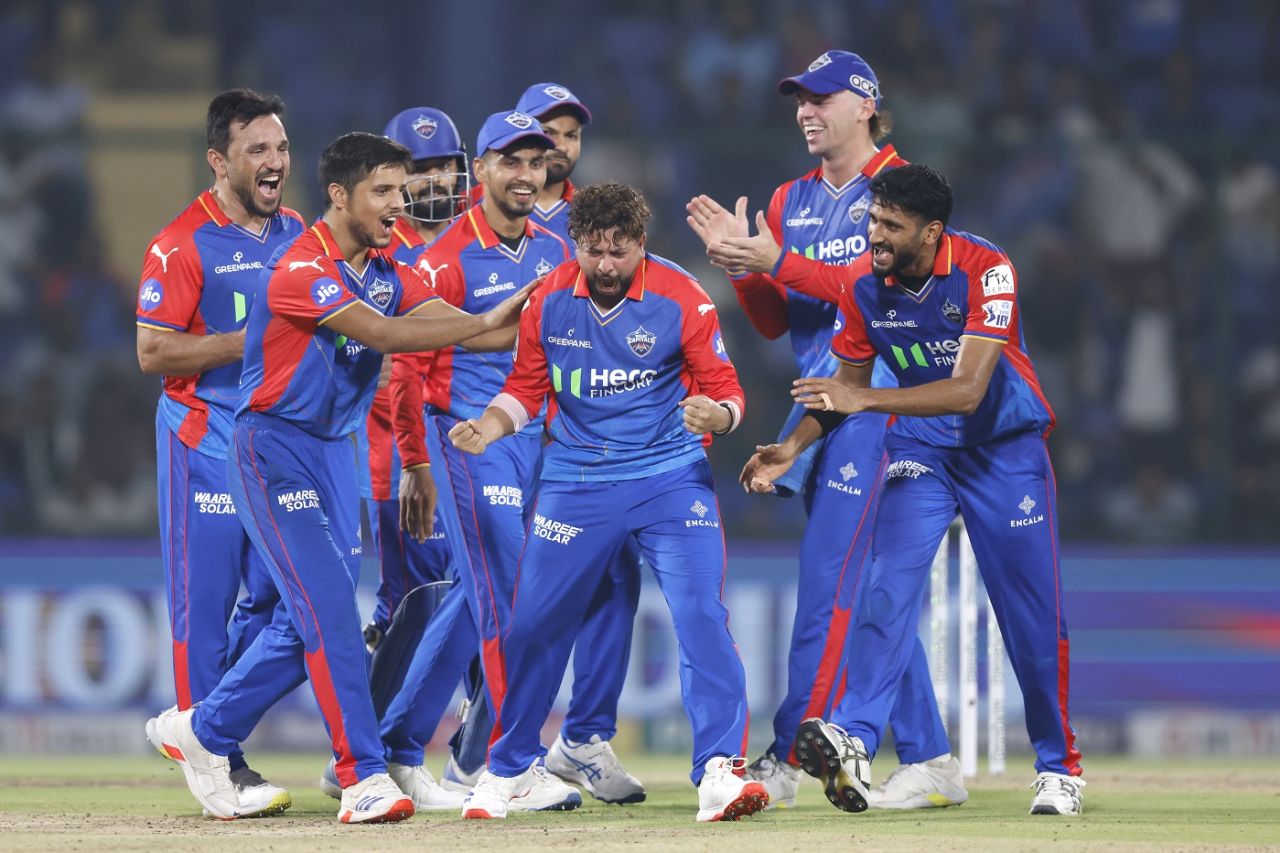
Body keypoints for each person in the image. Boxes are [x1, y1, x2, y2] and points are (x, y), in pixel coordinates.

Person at [149, 131, 532, 824]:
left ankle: (201, 730)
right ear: (339, 195)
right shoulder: (299, 268)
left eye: (400, 189)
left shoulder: (387, 265)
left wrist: (515, 323)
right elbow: (387, 334)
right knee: (327, 610)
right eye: (382, 191)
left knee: (306, 626)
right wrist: (479, 320)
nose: (399, 202)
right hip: (273, 448)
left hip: (335, 452)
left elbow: (449, 324)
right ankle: (362, 776)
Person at [737, 163, 1086, 816]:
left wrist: (862, 397)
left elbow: (967, 389)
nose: (874, 235)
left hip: (1003, 451)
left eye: (890, 225)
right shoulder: (868, 288)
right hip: (923, 448)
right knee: (886, 586)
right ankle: (854, 735)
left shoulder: (988, 270)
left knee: (1030, 615)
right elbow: (840, 390)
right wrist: (790, 448)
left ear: (931, 233)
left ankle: (1059, 765)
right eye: (872, 220)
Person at [686, 50, 962, 811]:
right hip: (822, 408)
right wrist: (746, 267)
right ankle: (932, 754)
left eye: (820, 98)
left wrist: (783, 259)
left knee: (827, 587)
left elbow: (890, 292)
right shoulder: (789, 199)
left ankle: (786, 750)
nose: (805, 111)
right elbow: (781, 321)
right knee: (868, 589)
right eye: (798, 100)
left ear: (865, 103)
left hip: (885, 407)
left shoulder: (902, 190)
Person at [451, 182, 766, 823]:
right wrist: (490, 425)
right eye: (594, 251)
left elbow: (727, 388)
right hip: (574, 484)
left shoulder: (683, 298)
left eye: (618, 252)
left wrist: (722, 416)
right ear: (575, 246)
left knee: (701, 614)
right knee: (535, 624)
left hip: (669, 478)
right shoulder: (547, 301)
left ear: (640, 245)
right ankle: (508, 769)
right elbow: (526, 388)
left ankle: (719, 773)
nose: (605, 266)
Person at [382, 109, 585, 812]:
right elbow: (406, 368)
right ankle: (507, 765)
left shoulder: (557, 247)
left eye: (537, 161)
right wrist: (418, 465)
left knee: (476, 602)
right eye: (512, 161)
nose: (527, 174)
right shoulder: (444, 257)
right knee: (509, 593)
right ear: (486, 170)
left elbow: (564, 351)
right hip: (468, 443)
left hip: (537, 446)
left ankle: (400, 747)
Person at [135, 88, 300, 818]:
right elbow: (152, 349)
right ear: (218, 160)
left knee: (278, 600)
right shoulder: (180, 243)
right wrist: (252, 340)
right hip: (204, 440)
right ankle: (218, 770)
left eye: (282, 148)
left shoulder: (299, 233)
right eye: (257, 150)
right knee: (204, 609)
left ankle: (205, 732)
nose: (275, 163)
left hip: (276, 448)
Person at [510, 80, 646, 805]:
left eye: (569, 133)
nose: (559, 146)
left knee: (615, 582)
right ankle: (493, 740)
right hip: (502, 436)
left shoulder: (600, 223)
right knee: (509, 591)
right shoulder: (486, 218)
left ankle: (584, 736)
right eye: (544, 133)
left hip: (583, 444)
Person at [358, 106, 470, 649]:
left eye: (444, 165)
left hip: (476, 450)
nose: (436, 179)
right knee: (416, 606)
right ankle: (377, 732)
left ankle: (473, 725)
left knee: (476, 601)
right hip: (401, 458)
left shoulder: (479, 242)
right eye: (420, 167)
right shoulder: (370, 249)